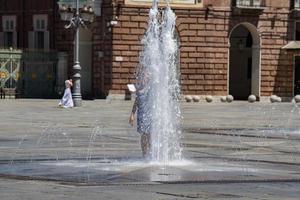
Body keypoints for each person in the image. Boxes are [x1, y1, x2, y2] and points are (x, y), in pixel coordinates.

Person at [129, 69, 152, 158]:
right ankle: (144, 154)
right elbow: (136, 101)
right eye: (143, 76)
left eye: (146, 76)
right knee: (143, 136)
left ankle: (151, 154)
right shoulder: (139, 88)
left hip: (150, 115)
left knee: (150, 135)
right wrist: (132, 114)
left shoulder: (151, 88)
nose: (144, 78)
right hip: (141, 115)